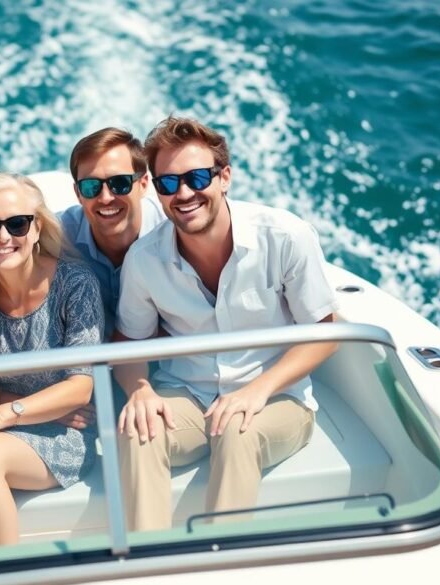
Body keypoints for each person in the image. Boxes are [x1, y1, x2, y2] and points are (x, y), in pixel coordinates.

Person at [114, 116, 340, 531]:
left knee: (238, 430)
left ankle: (218, 559)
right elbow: (127, 344)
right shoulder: (144, 260)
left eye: (197, 177)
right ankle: (149, 558)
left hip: (276, 397)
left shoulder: (285, 236)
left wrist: (258, 390)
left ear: (224, 178)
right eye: (168, 183)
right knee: (138, 430)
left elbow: (325, 333)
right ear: (157, 191)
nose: (184, 193)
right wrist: (140, 389)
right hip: (188, 393)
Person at [0, 172, 104, 547]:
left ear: (37, 229)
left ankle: (9, 570)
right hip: (1, 421)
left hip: (68, 432)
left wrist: (4, 414)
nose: (3, 237)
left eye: (17, 224)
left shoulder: (75, 283)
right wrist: (25, 409)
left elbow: (80, 388)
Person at [58, 127, 166, 338]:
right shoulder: (57, 236)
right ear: (78, 193)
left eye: (120, 183)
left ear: (143, 184)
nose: (106, 197)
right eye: (91, 186)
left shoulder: (174, 230)